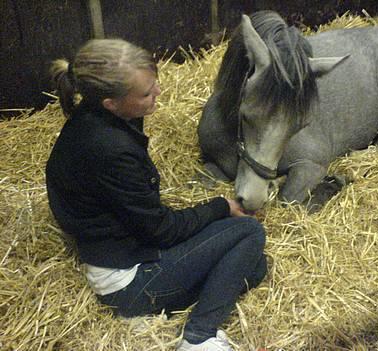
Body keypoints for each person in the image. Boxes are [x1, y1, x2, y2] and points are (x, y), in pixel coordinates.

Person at [46, 38, 267, 351]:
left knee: (253, 266)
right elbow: (162, 230)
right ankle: (198, 337)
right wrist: (221, 206)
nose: (158, 94)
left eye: (155, 85)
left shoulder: (95, 116)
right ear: (112, 102)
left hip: (115, 253)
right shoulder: (113, 149)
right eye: (146, 93)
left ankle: (170, 309)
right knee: (249, 234)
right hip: (127, 283)